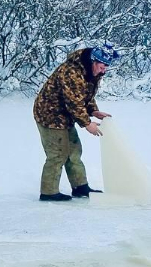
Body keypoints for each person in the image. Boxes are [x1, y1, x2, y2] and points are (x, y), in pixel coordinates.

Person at [32, 42, 119, 201]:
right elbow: (74, 102)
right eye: (101, 67)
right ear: (93, 61)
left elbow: (86, 95)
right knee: (58, 153)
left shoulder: (92, 72)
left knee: (74, 151)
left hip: (65, 115)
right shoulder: (71, 72)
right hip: (49, 114)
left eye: (106, 67)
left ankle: (80, 187)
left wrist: (93, 110)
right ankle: (48, 192)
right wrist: (87, 123)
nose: (104, 71)